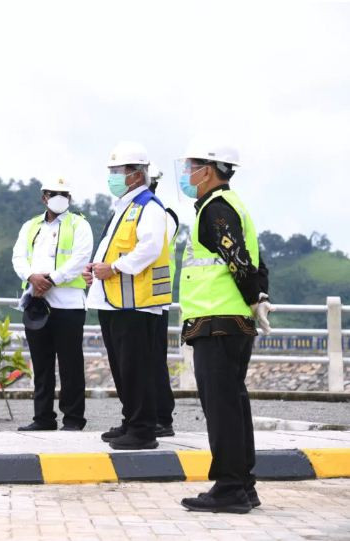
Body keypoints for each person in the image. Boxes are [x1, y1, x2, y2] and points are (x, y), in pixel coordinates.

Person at [175, 138, 272, 513]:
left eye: (191, 167)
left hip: (217, 321)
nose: (187, 175)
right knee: (233, 403)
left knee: (221, 406)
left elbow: (237, 259)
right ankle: (244, 486)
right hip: (230, 321)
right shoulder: (233, 206)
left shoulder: (216, 209)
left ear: (209, 170)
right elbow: (255, 261)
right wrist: (259, 297)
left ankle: (230, 487)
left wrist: (253, 297)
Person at [82, 141, 171, 450]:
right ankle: (131, 421)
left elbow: (149, 248)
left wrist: (115, 268)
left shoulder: (149, 207)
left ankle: (144, 429)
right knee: (122, 367)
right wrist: (96, 269)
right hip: (114, 301)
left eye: (116, 171)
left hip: (136, 303)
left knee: (137, 368)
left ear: (135, 175)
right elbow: (114, 247)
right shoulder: (126, 207)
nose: (112, 177)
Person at [12, 178, 93, 431]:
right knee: (41, 363)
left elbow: (81, 258)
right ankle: (43, 418)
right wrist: (31, 277)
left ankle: (73, 419)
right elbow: (18, 256)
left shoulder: (79, 224)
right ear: (43, 197)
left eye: (64, 193)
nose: (60, 197)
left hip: (68, 304)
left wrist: (52, 279)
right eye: (54, 193)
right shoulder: (31, 226)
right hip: (37, 302)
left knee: (71, 364)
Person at [148, 165, 178, 438]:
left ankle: (162, 417)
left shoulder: (162, 216)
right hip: (139, 297)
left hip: (155, 298)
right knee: (145, 360)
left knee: (155, 360)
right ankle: (149, 415)